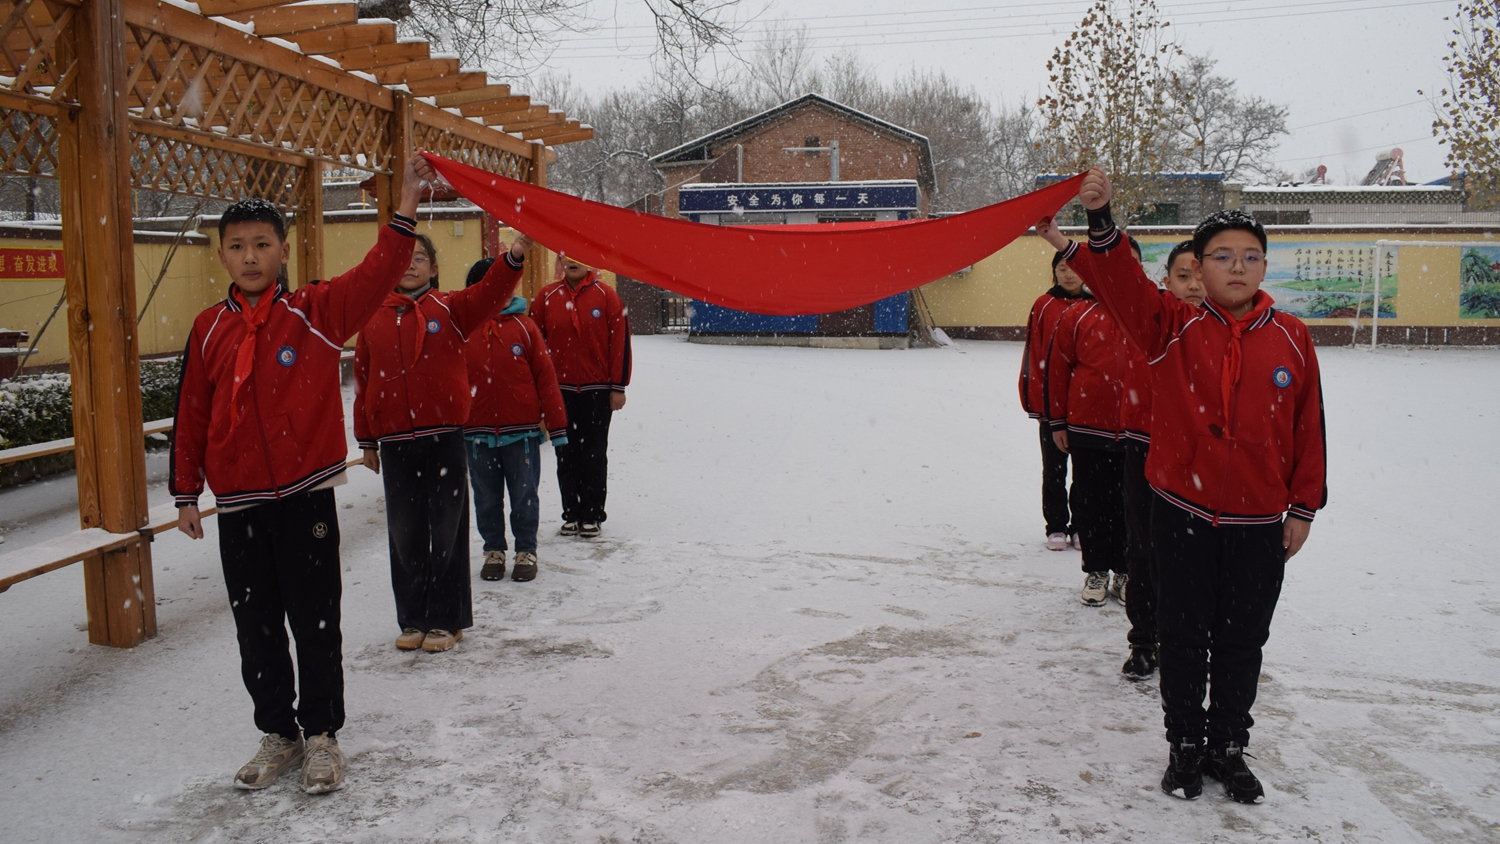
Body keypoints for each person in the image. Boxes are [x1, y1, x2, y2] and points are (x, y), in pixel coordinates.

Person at [170, 153, 433, 794]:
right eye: (238, 246)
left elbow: (378, 272)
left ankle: (321, 735)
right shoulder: (208, 329)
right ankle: (278, 734)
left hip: (305, 496)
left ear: (283, 252)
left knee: (315, 621)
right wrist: (185, 492)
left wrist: (405, 206)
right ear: (222, 255)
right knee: (255, 627)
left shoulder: (316, 311)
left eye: (262, 244)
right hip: (238, 505)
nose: (250, 257)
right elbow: (193, 410)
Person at [1070, 169, 1326, 805]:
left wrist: (1302, 508)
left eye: (1250, 256)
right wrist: (1101, 221)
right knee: (1182, 636)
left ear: (1264, 265)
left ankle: (1228, 747)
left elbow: (1308, 426)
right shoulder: (1170, 327)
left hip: (1259, 524)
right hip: (1182, 514)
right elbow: (1122, 284)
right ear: (1199, 267)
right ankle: (1184, 744)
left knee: (1243, 642)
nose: (1238, 267)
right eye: (1222, 256)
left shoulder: (1292, 337)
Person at [353, 233, 530, 654]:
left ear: (433, 268)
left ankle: (447, 621)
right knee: (405, 533)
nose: (410, 265)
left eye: (419, 258)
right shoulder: (374, 318)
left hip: (444, 438)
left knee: (446, 530)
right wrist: (367, 439)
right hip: (395, 441)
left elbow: (490, 292)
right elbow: (363, 379)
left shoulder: (451, 309)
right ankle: (413, 618)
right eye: (403, 258)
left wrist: (514, 256)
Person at [1044, 237, 1147, 608]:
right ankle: (1097, 570)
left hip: (1140, 433)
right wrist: (1057, 422)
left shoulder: (1154, 315)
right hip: (1088, 429)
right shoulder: (1078, 315)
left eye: (1130, 263)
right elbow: (1058, 372)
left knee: (1132, 506)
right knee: (1092, 504)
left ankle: (1126, 571)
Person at [462, 255, 569, 583]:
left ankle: (526, 549)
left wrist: (557, 426)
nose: (500, 293)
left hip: (521, 434)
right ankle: (493, 549)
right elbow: (447, 379)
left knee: (524, 495)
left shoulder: (525, 327)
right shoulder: (463, 329)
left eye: (505, 286)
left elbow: (546, 378)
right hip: (477, 435)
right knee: (486, 497)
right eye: (490, 287)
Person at [530, 254, 632, 538]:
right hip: (559, 392)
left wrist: (618, 386)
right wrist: (538, 388)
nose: (572, 262)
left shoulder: (607, 297)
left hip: (596, 391)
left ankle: (592, 514)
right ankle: (571, 513)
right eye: (566, 256)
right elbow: (534, 344)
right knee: (565, 453)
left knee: (594, 453)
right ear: (559, 261)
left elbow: (619, 343)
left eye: (579, 256)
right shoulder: (547, 297)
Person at [1019, 250, 1091, 551]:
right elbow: (1035, 353)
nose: (1069, 275)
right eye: (1062, 269)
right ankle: (1056, 526)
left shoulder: (1094, 305)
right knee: (1054, 469)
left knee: (1085, 471)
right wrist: (1038, 400)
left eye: (1074, 269)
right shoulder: (1044, 305)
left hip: (1086, 405)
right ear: (1054, 272)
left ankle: (1081, 526)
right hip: (1051, 404)